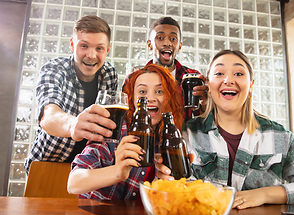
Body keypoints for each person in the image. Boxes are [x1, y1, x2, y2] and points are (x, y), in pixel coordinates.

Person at [155, 49, 294, 209]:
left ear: (250, 85)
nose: (228, 80)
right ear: (208, 86)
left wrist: (264, 195)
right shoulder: (186, 135)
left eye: (239, 74)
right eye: (219, 73)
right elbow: (174, 192)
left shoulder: (280, 137)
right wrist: (166, 182)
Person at [67, 64, 183, 200]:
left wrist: (171, 183)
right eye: (142, 91)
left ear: (168, 98)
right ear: (132, 99)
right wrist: (117, 172)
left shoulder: (168, 139)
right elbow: (74, 183)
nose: (150, 98)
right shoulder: (113, 130)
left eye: (159, 91)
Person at [24, 15, 119, 174]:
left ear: (107, 49)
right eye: (84, 46)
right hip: (47, 166)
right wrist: (72, 125)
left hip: (89, 170)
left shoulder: (110, 74)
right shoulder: (54, 69)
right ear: (72, 44)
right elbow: (48, 116)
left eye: (99, 48)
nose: (91, 55)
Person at [122, 16, 208, 119]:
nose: (167, 43)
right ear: (149, 44)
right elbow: (125, 119)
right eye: (160, 38)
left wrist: (206, 104)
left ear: (179, 46)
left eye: (173, 39)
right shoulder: (132, 79)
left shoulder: (193, 77)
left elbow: (201, 122)